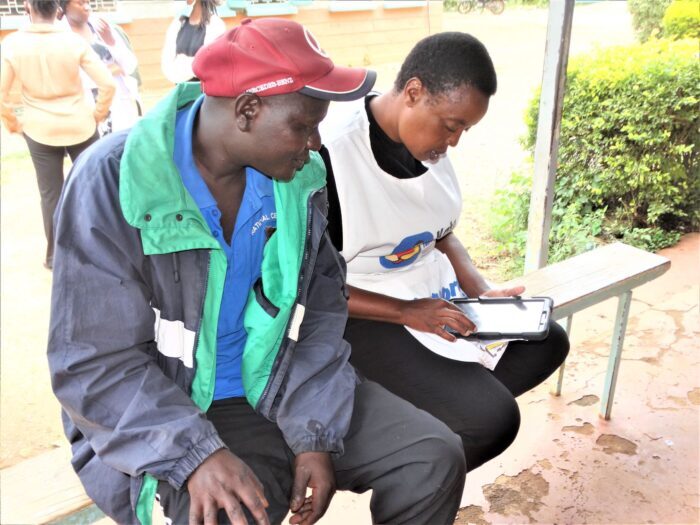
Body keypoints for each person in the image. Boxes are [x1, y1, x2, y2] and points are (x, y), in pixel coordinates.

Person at [48, 18, 467, 525]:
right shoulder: (116, 180)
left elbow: (317, 308)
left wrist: (313, 432)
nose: (316, 143)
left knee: (431, 457)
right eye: (305, 125)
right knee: (227, 514)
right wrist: (194, 452)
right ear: (248, 111)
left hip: (284, 379)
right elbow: (91, 363)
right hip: (173, 407)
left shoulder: (296, 180)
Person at [319, 32, 570, 472]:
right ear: (414, 92)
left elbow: (440, 231)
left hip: (431, 292)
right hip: (362, 312)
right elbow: (312, 289)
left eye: (464, 130)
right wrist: (406, 311)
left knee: (547, 342)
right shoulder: (333, 159)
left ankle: (425, 437)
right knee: (493, 420)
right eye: (452, 125)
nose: (454, 142)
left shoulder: (427, 143)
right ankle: (417, 475)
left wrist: (477, 284)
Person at [0, 0, 115, 270]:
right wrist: (97, 115)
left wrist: (15, 124)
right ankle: (105, 251)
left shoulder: (13, 44)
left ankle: (55, 257)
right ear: (57, 10)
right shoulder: (73, 41)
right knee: (94, 189)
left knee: (50, 193)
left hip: (39, 129)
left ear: (28, 7)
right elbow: (107, 83)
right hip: (81, 125)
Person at [59, 0, 142, 134]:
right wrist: (108, 71)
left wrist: (111, 41)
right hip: (87, 109)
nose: (86, 7)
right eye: (80, 3)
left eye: (88, 2)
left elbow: (130, 65)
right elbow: (65, 77)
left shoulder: (102, 27)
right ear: (65, 6)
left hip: (121, 105)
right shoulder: (59, 35)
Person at [161, 0, 226, 84]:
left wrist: (181, 61)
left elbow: (209, 65)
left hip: (205, 94)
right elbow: (167, 65)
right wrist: (193, 63)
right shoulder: (177, 24)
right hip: (181, 93)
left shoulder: (216, 26)